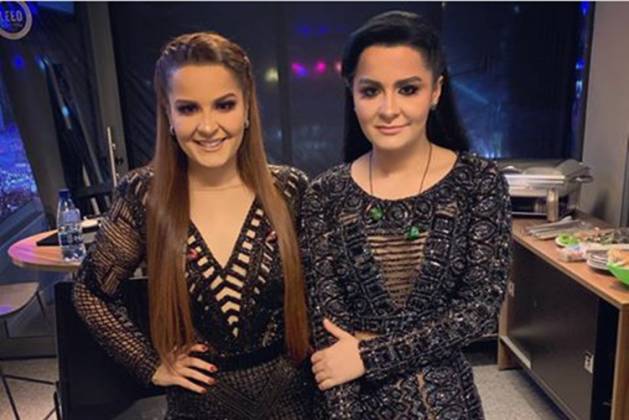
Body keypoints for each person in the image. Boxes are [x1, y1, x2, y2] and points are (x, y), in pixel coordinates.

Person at [73, 32, 313, 419]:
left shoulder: (289, 189)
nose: (207, 126)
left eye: (224, 105)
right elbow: (90, 293)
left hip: (294, 404)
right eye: (188, 109)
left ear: (247, 108)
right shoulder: (144, 195)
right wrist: (149, 364)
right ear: (168, 114)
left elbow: (324, 291)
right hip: (198, 407)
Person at [301, 11, 512, 419]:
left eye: (408, 89)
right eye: (371, 91)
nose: (389, 109)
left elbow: (478, 309)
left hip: (445, 402)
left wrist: (370, 355)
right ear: (352, 94)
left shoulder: (478, 182)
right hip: (353, 402)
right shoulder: (325, 194)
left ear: (436, 91)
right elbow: (328, 330)